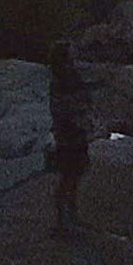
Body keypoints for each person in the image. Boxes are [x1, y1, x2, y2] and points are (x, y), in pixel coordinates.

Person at [43, 44, 97, 232]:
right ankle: (62, 220)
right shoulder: (60, 82)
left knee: (75, 176)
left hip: (75, 133)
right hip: (67, 135)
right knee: (68, 176)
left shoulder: (71, 78)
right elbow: (62, 108)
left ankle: (72, 216)